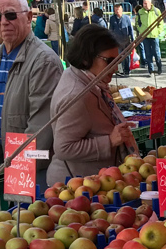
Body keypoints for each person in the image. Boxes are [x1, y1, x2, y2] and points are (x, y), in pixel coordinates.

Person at [0, 0, 63, 188]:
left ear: (29, 17)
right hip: (12, 162)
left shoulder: (43, 61)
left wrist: (19, 172)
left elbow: (42, 130)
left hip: (33, 170)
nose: (3, 22)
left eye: (11, 15)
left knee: (30, 216)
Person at [47, 24, 135, 186]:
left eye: (117, 60)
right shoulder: (77, 95)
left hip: (92, 182)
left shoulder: (84, 78)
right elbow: (64, 148)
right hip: (76, 186)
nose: (115, 68)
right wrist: (109, 141)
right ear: (86, 58)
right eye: (109, 61)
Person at [136, 0, 163, 76]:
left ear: (150, 3)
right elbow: (137, 23)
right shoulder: (140, 12)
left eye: (146, 3)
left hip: (154, 35)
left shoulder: (156, 11)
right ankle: (151, 71)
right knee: (148, 54)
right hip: (145, 36)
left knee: (156, 53)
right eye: (144, 3)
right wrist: (140, 30)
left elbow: (161, 22)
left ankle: (159, 68)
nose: (145, 5)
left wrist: (158, 31)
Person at [108, 4, 135, 76]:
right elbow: (111, 29)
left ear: (122, 10)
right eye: (116, 10)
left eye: (118, 9)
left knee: (126, 56)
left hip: (126, 40)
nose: (117, 11)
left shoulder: (126, 18)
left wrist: (133, 40)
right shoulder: (112, 18)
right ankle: (120, 70)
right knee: (119, 56)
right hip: (117, 40)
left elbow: (130, 29)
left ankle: (127, 70)